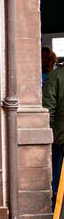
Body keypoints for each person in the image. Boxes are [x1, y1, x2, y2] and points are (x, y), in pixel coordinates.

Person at [44, 54, 64, 201]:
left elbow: (49, 110)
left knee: (59, 186)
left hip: (61, 138)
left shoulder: (55, 77)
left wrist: (52, 133)